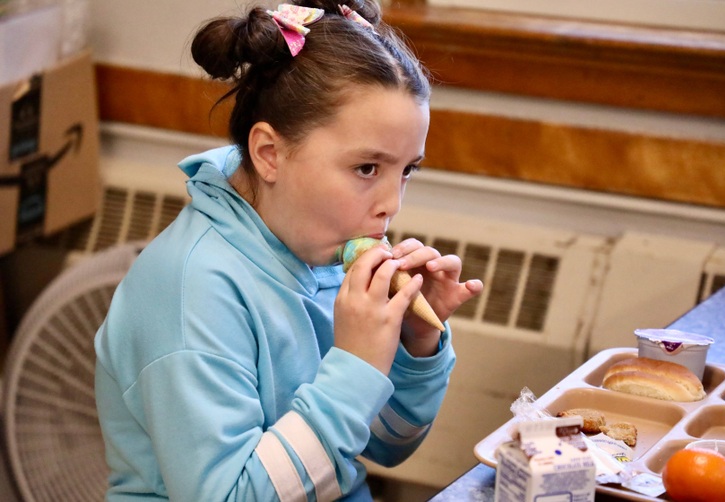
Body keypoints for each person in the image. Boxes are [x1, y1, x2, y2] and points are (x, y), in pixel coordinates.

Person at [94, 1, 484, 500]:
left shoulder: (316, 246)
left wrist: (414, 344)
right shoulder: (190, 291)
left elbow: (387, 445)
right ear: (269, 154)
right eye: (367, 168)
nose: (391, 205)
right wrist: (357, 364)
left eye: (407, 170)